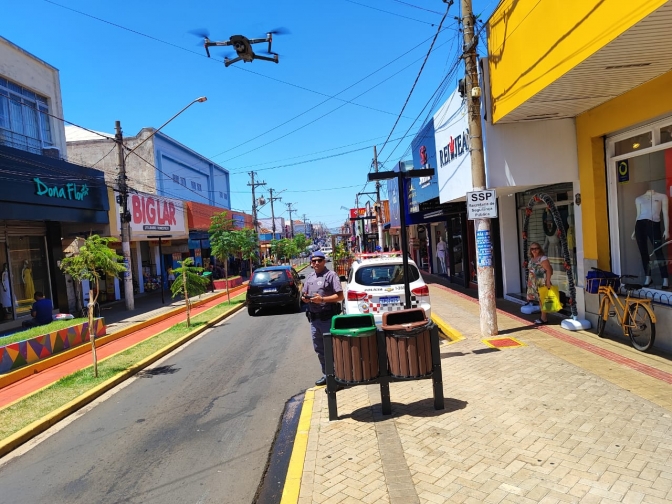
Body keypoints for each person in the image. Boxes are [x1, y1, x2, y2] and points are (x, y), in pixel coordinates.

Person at [301, 250, 344, 386]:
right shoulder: (309, 277)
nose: (317, 263)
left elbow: (340, 296)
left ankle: (339, 377)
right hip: (314, 320)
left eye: (319, 260)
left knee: (332, 349)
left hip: (328, 318)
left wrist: (323, 299)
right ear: (311, 263)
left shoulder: (331, 276)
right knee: (319, 349)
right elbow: (304, 294)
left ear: (324, 261)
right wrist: (305, 299)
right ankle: (327, 375)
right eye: (314, 261)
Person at [526, 242, 553, 325]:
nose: (534, 250)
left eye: (536, 248)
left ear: (539, 249)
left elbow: (549, 270)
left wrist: (548, 281)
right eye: (532, 249)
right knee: (540, 300)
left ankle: (544, 318)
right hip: (534, 282)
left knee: (543, 300)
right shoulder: (532, 259)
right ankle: (543, 317)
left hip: (541, 282)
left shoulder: (542, 258)